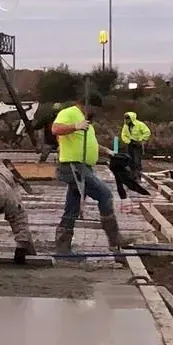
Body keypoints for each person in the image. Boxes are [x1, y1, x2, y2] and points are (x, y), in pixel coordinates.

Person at [50, 92, 125, 260]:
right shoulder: (70, 113)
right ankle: (115, 239)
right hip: (73, 166)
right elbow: (55, 129)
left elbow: (90, 143)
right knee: (104, 194)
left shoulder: (87, 123)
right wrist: (76, 126)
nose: (96, 112)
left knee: (72, 206)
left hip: (83, 167)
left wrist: (109, 152)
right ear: (87, 105)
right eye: (95, 108)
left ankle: (63, 249)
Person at [111, 105, 152, 199]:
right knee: (129, 160)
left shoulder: (139, 124)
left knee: (137, 161)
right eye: (125, 119)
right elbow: (123, 135)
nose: (126, 120)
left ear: (131, 118)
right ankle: (131, 177)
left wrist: (141, 139)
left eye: (127, 119)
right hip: (130, 144)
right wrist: (128, 141)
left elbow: (147, 132)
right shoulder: (125, 126)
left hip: (137, 144)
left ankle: (137, 177)